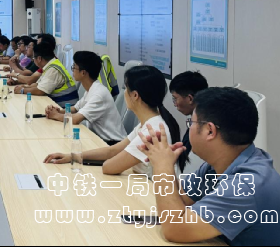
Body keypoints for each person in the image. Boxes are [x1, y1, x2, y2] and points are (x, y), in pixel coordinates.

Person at [136, 88, 280, 245]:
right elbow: (180, 201)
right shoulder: (219, 165)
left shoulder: (247, 185)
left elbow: (175, 229)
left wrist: (162, 167)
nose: (189, 128)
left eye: (191, 123)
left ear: (210, 131)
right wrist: (166, 163)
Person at [44, 66, 181, 179]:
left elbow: (109, 167)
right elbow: (112, 150)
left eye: (126, 89)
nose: (124, 93)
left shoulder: (152, 131)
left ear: (135, 95)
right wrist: (72, 156)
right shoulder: (149, 123)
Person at [45, 52, 127, 144]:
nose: (73, 70)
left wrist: (55, 115)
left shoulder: (99, 94)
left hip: (112, 143)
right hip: (98, 137)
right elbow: (75, 109)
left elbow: (75, 119)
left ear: (83, 73)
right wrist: (58, 111)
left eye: (74, 67)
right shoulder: (91, 89)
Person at [15, 42, 79, 107]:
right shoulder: (51, 65)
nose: (34, 60)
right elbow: (38, 85)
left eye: (34, 58)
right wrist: (25, 87)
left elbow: (41, 91)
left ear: (39, 59)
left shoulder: (53, 69)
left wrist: (22, 90)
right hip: (58, 104)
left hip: (66, 108)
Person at [169, 71, 209, 172]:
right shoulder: (196, 123)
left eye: (175, 99)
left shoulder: (201, 130)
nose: (175, 104)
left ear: (190, 98)